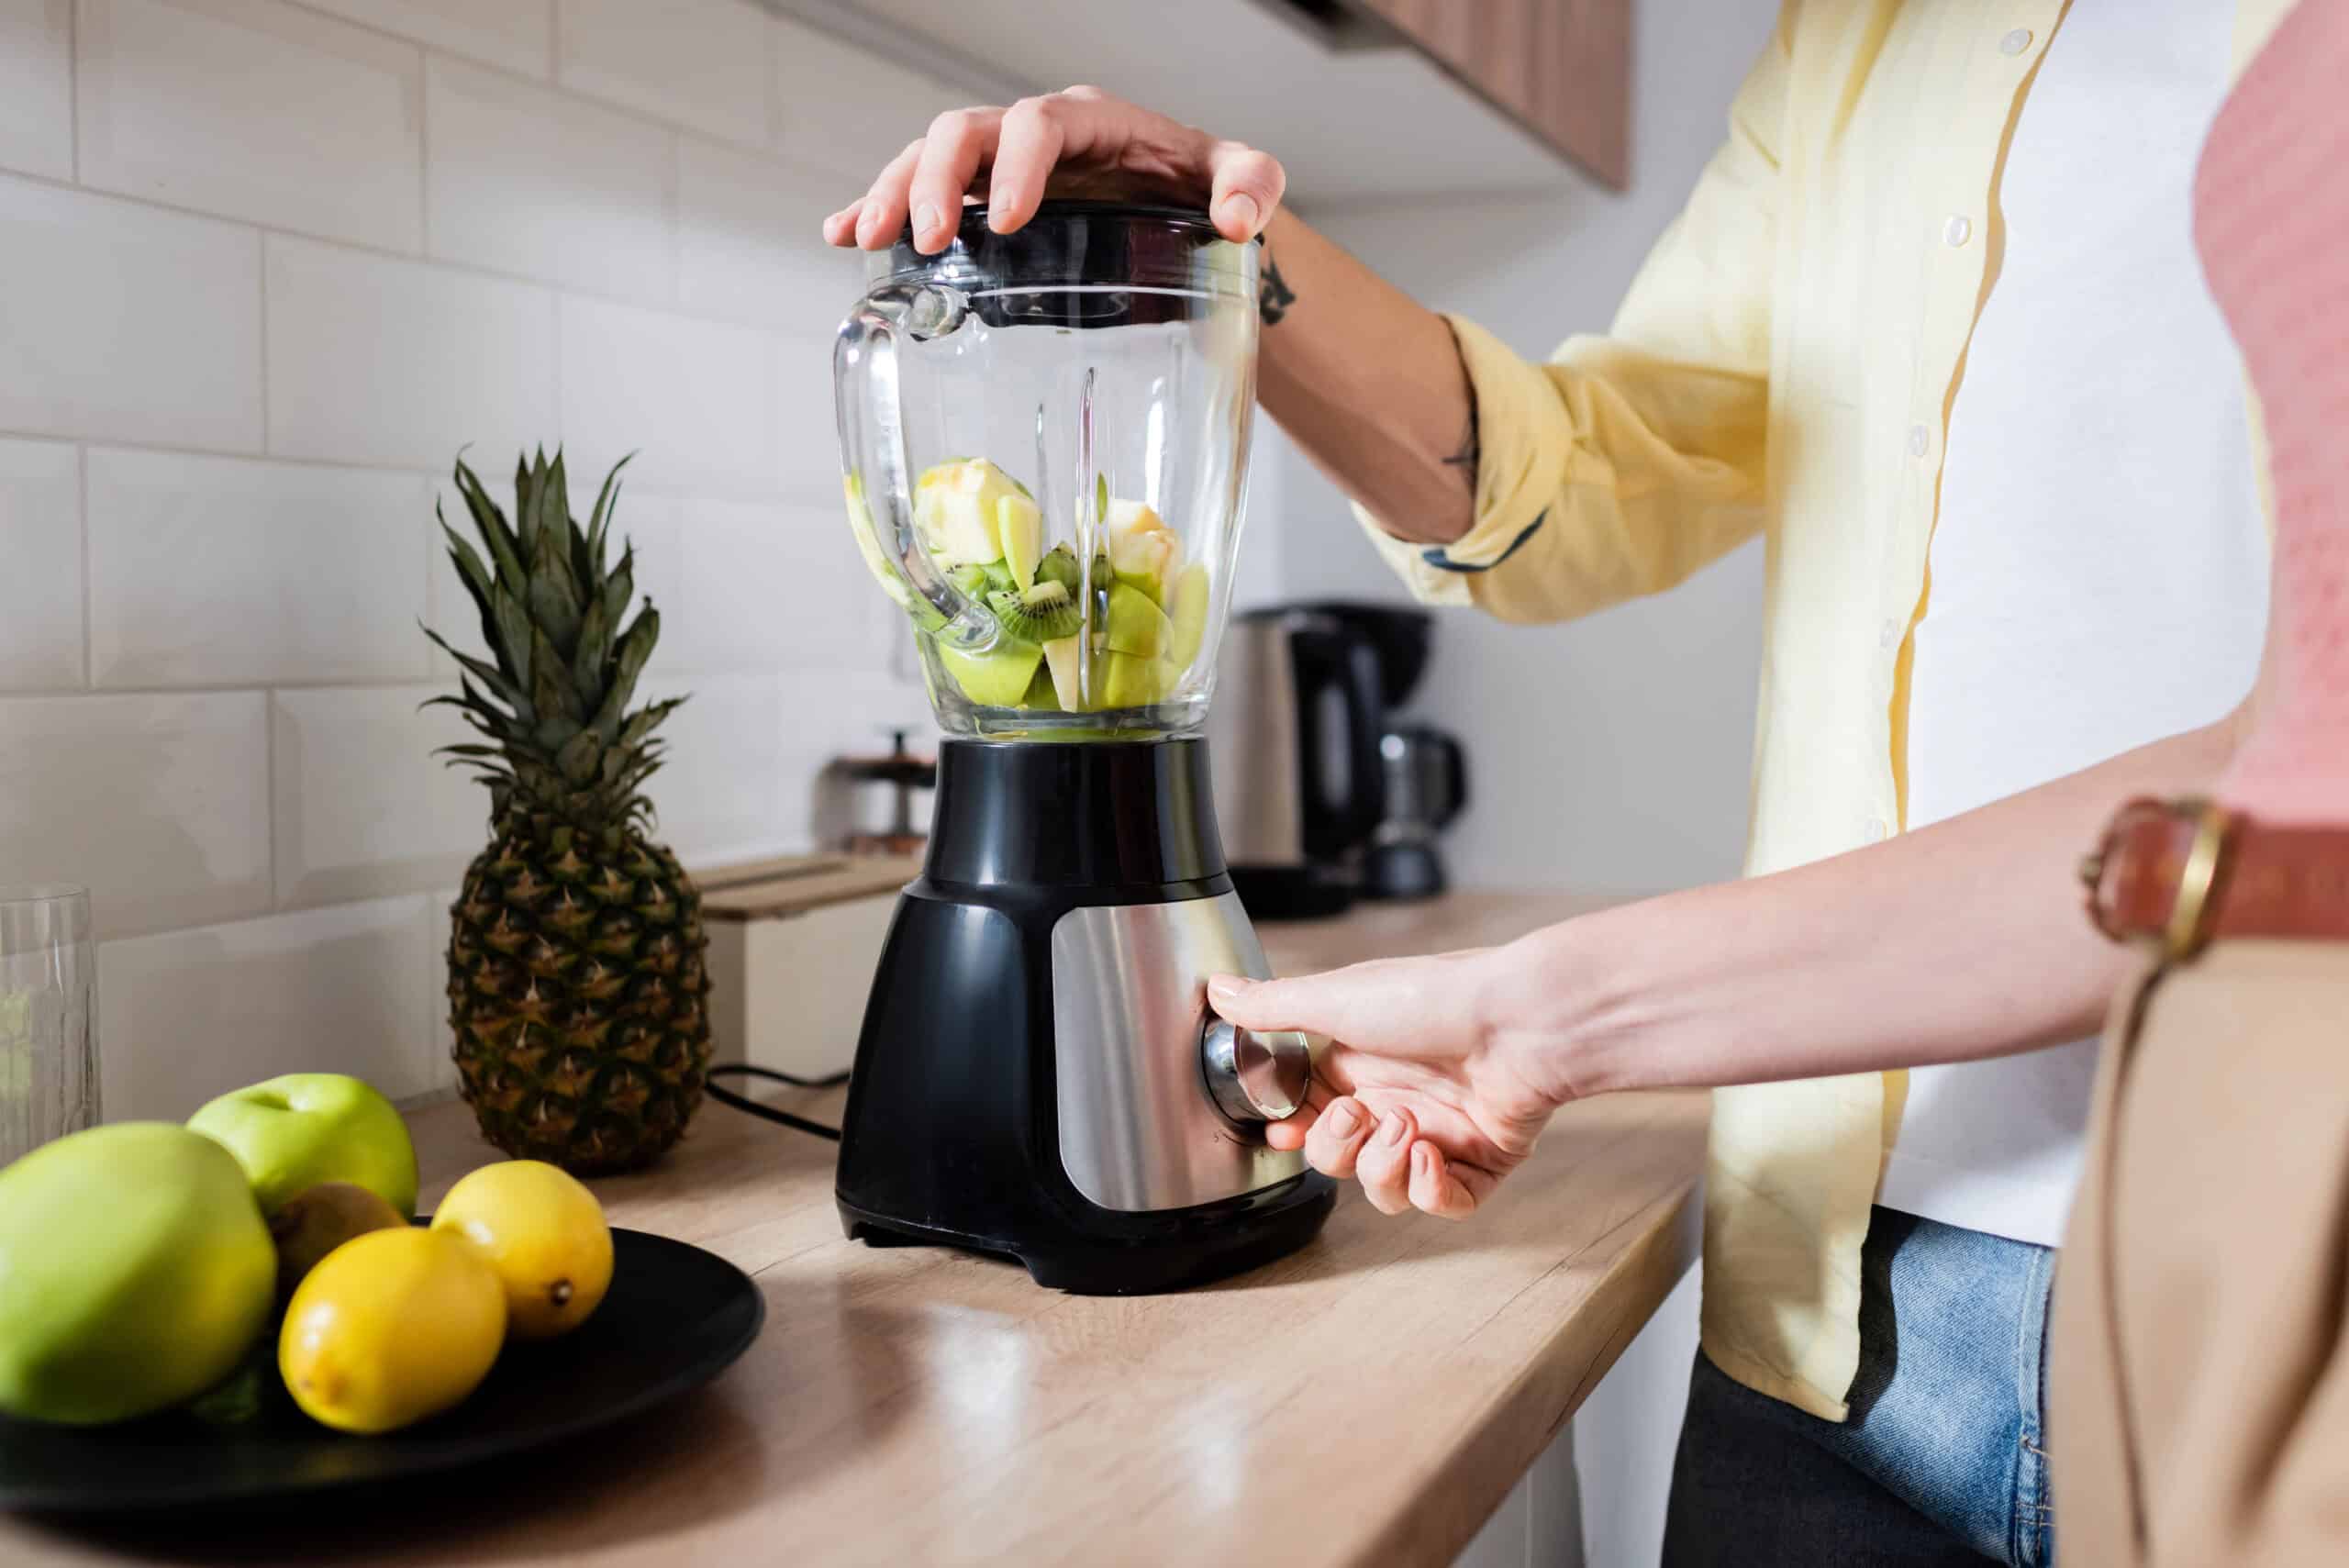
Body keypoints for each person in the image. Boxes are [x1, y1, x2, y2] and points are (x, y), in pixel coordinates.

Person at [823, 4, 2291, 1562]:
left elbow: (2300, 781)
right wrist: (1221, 237)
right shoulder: (1862, 36)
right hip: (1827, 1312)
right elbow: (1596, 467)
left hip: (2267, 1318)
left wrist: (1551, 1010)